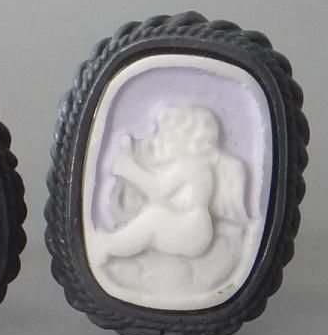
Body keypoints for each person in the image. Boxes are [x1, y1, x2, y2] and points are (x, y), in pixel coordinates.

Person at [92, 106, 248, 264]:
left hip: (191, 231)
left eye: (165, 138)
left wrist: (129, 169)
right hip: (194, 227)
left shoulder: (191, 166)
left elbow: (158, 190)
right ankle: (111, 243)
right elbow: (163, 197)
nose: (159, 143)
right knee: (155, 213)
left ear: (186, 140)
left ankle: (110, 246)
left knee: (154, 218)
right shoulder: (195, 165)